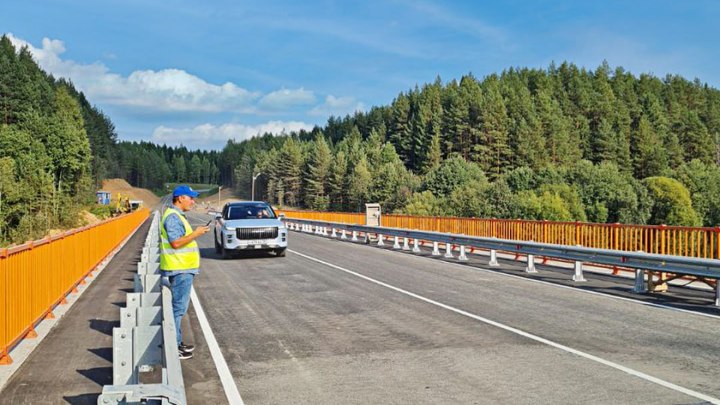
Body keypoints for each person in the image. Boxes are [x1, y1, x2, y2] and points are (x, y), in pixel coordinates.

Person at [160, 185, 209, 360]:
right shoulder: (173, 217)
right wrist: (196, 233)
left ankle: (177, 342)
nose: (193, 201)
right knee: (178, 309)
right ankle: (173, 346)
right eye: (190, 198)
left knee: (179, 308)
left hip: (182, 267)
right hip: (180, 268)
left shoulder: (176, 215)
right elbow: (176, 243)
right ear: (180, 198)